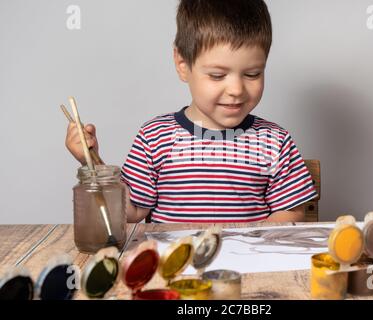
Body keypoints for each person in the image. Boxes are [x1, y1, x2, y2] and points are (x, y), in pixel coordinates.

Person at [65, 0, 317, 223]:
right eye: (218, 75)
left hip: (243, 272)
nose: (237, 89)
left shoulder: (275, 141)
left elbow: (291, 211)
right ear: (183, 65)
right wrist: (92, 161)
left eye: (253, 74)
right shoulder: (155, 136)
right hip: (172, 270)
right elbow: (131, 212)